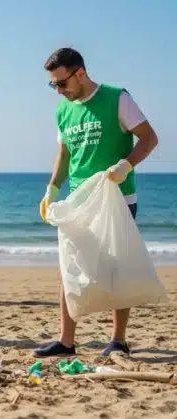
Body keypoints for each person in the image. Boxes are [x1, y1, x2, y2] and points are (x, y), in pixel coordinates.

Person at [34, 48, 159, 358]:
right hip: (78, 200)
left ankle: (118, 340)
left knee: (118, 269)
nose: (59, 91)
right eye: (54, 86)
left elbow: (149, 138)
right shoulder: (64, 111)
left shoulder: (117, 98)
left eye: (62, 83)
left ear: (80, 73)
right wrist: (52, 188)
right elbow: (64, 155)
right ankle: (66, 341)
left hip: (116, 198)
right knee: (69, 267)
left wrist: (126, 165)